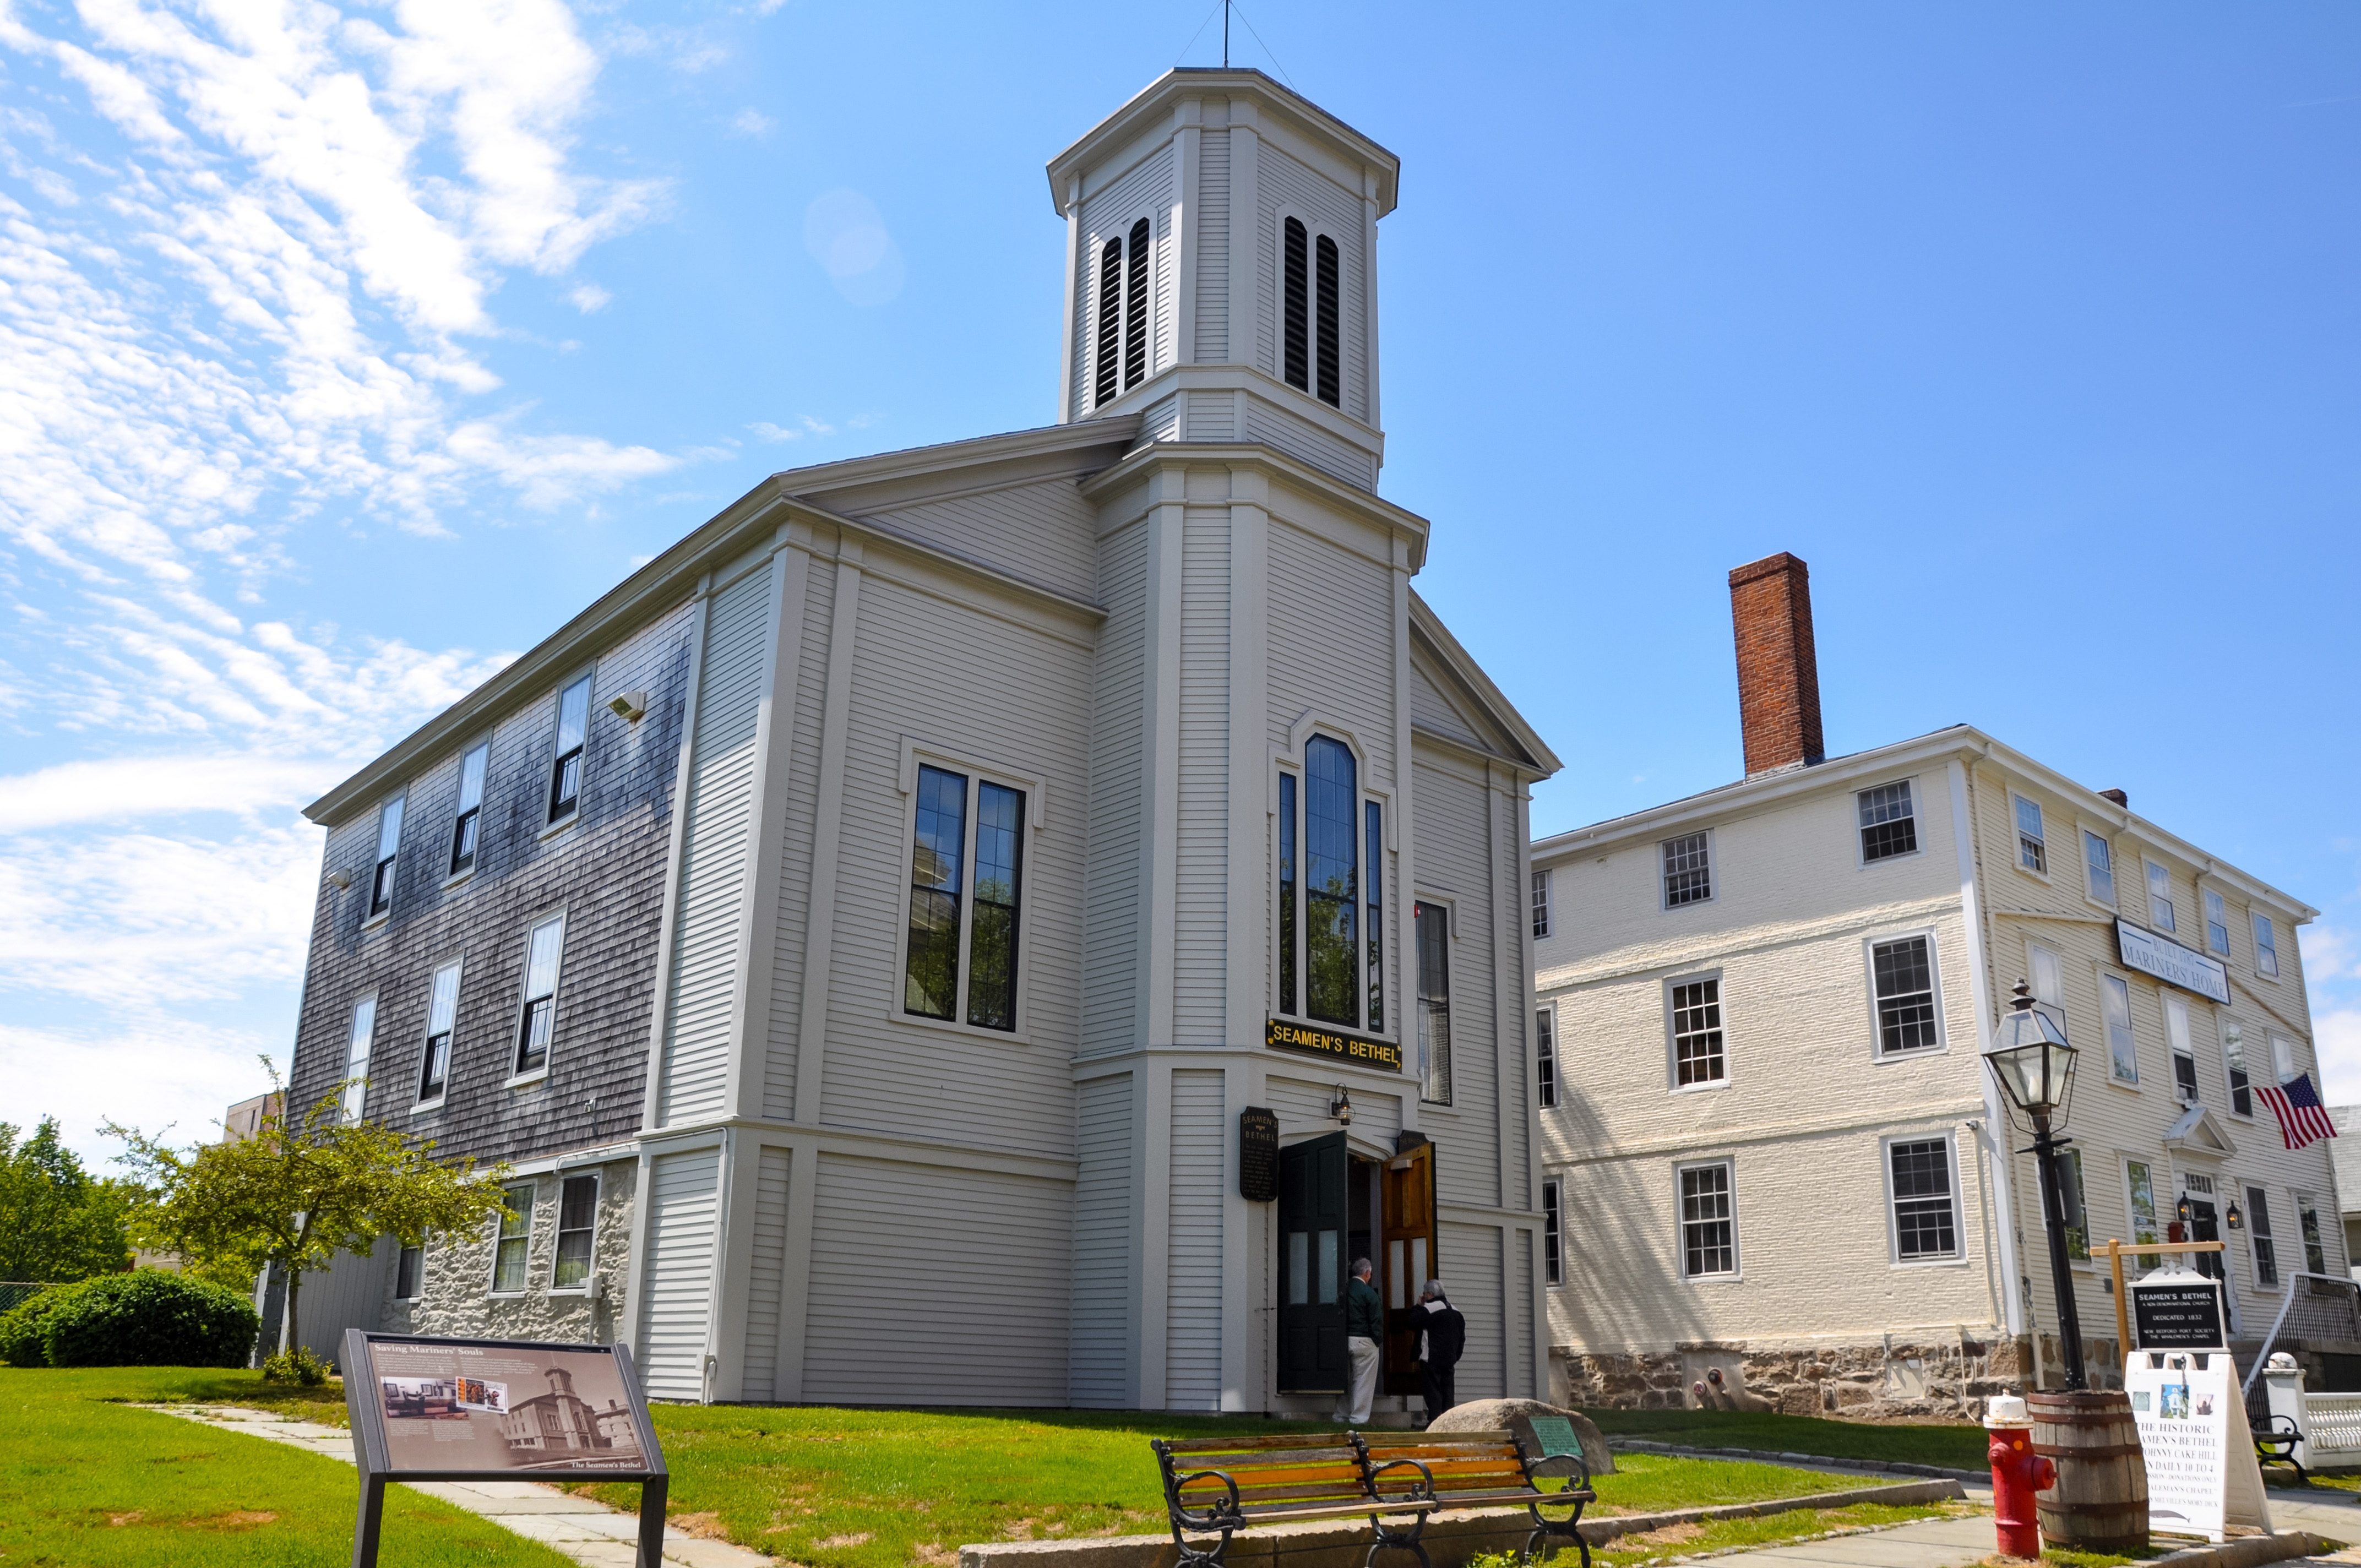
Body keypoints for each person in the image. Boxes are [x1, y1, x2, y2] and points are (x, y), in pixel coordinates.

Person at [1335, 1257, 1384, 1425]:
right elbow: (1376, 1320)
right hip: (1364, 1340)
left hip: (1342, 1339)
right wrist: (1377, 1341)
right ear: (1367, 1273)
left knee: (1343, 1379)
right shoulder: (1369, 1294)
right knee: (1363, 1381)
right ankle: (1358, 1418)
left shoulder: (1343, 1290)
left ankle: (1340, 1416)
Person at [1416, 1280, 1464, 1427]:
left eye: (1425, 1294)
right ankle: (1449, 1423)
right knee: (1448, 1391)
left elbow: (1413, 1322)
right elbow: (1462, 1338)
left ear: (1430, 1294)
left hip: (1432, 1357)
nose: (1424, 1296)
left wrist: (1418, 1306)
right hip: (1450, 1358)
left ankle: (1434, 1422)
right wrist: (1456, 1356)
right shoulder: (1456, 1312)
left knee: (1433, 1391)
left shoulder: (1429, 1309)